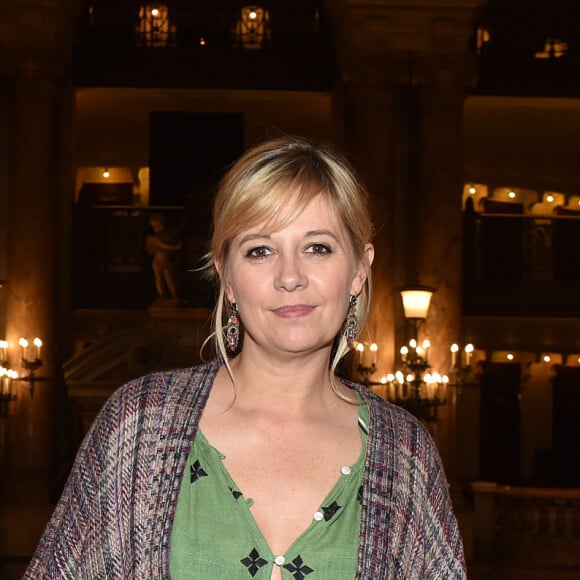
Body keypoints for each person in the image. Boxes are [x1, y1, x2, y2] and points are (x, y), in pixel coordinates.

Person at [25, 136, 466, 579]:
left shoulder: (406, 454)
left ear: (358, 269)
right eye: (260, 250)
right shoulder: (140, 423)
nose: (290, 276)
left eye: (317, 247)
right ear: (228, 278)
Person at [145, 211, 185, 301]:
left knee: (170, 279)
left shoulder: (171, 234)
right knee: (159, 278)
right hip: (157, 261)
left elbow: (177, 246)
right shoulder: (153, 238)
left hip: (168, 262)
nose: (157, 228)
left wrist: (174, 248)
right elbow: (151, 249)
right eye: (154, 227)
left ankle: (175, 296)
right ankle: (162, 295)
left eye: (159, 226)